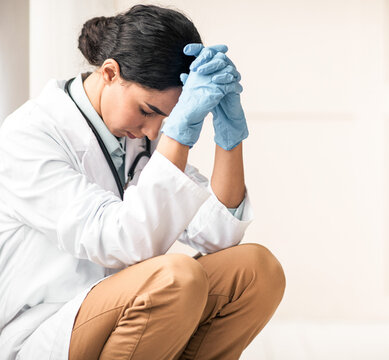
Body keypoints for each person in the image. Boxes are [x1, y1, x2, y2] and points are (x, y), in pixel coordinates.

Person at [0, 4, 285, 360]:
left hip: (118, 314)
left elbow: (218, 235)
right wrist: (179, 135)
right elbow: (123, 241)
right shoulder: (27, 137)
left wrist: (229, 138)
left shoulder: (135, 138)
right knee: (175, 277)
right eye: (149, 111)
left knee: (256, 271)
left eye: (169, 118)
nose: (154, 130)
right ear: (109, 72)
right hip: (43, 327)